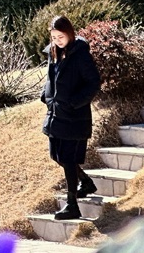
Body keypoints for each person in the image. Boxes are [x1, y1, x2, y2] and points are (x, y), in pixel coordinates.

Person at [40, 14, 101, 221]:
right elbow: (51, 79)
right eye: (54, 36)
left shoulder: (80, 54)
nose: (58, 40)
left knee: (68, 159)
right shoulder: (53, 53)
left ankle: (72, 204)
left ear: (70, 33)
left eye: (61, 36)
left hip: (74, 118)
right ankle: (86, 182)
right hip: (55, 115)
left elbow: (93, 83)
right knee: (57, 156)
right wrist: (46, 96)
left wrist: (75, 103)